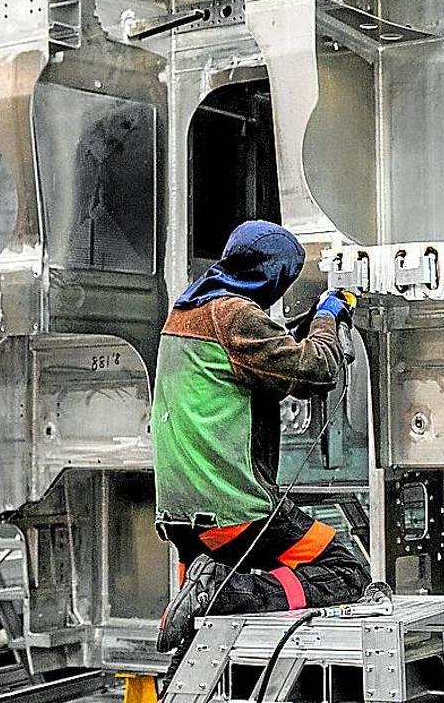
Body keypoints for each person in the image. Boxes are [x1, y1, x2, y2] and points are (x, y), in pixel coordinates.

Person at [152, 220, 370, 653]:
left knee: (204, 641)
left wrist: (300, 331)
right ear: (274, 275)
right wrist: (328, 316)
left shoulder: (188, 311)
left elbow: (250, 360)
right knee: (347, 572)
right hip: (234, 511)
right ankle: (223, 593)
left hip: (182, 519)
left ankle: (210, 592)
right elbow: (320, 369)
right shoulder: (234, 316)